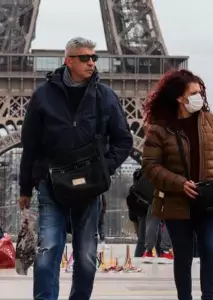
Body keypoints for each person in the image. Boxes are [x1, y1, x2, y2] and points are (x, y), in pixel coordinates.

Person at [18, 37, 132, 300]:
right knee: (48, 250)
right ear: (68, 60)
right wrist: (25, 187)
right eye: (85, 58)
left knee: (86, 255)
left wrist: (105, 168)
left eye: (94, 58)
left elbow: (124, 139)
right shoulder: (43, 96)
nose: (91, 62)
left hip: (89, 186)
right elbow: (30, 145)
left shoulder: (105, 96)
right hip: (52, 185)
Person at [141, 69, 213, 300]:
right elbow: (150, 166)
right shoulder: (160, 128)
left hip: (209, 199)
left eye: (200, 92)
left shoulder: (210, 121)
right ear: (179, 98)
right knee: (182, 256)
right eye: (194, 92)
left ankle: (208, 297)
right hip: (176, 200)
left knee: (209, 252)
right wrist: (180, 183)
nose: (200, 96)